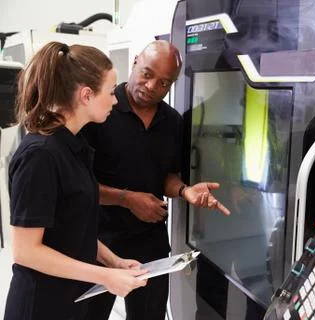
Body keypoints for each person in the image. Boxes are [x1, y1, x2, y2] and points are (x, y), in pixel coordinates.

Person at [80, 40, 230, 320]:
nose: (151, 86)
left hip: (151, 243)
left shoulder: (172, 122)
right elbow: (77, 187)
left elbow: (166, 177)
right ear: (135, 61)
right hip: (100, 240)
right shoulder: (100, 112)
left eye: (164, 83)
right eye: (147, 74)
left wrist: (185, 191)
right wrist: (127, 199)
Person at [3, 42, 149, 320]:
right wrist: (105, 276)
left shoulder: (73, 147)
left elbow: (73, 231)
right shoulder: (40, 156)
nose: (116, 100)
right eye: (111, 91)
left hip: (71, 301)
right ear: (86, 95)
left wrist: (114, 262)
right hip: (40, 307)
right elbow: (26, 252)